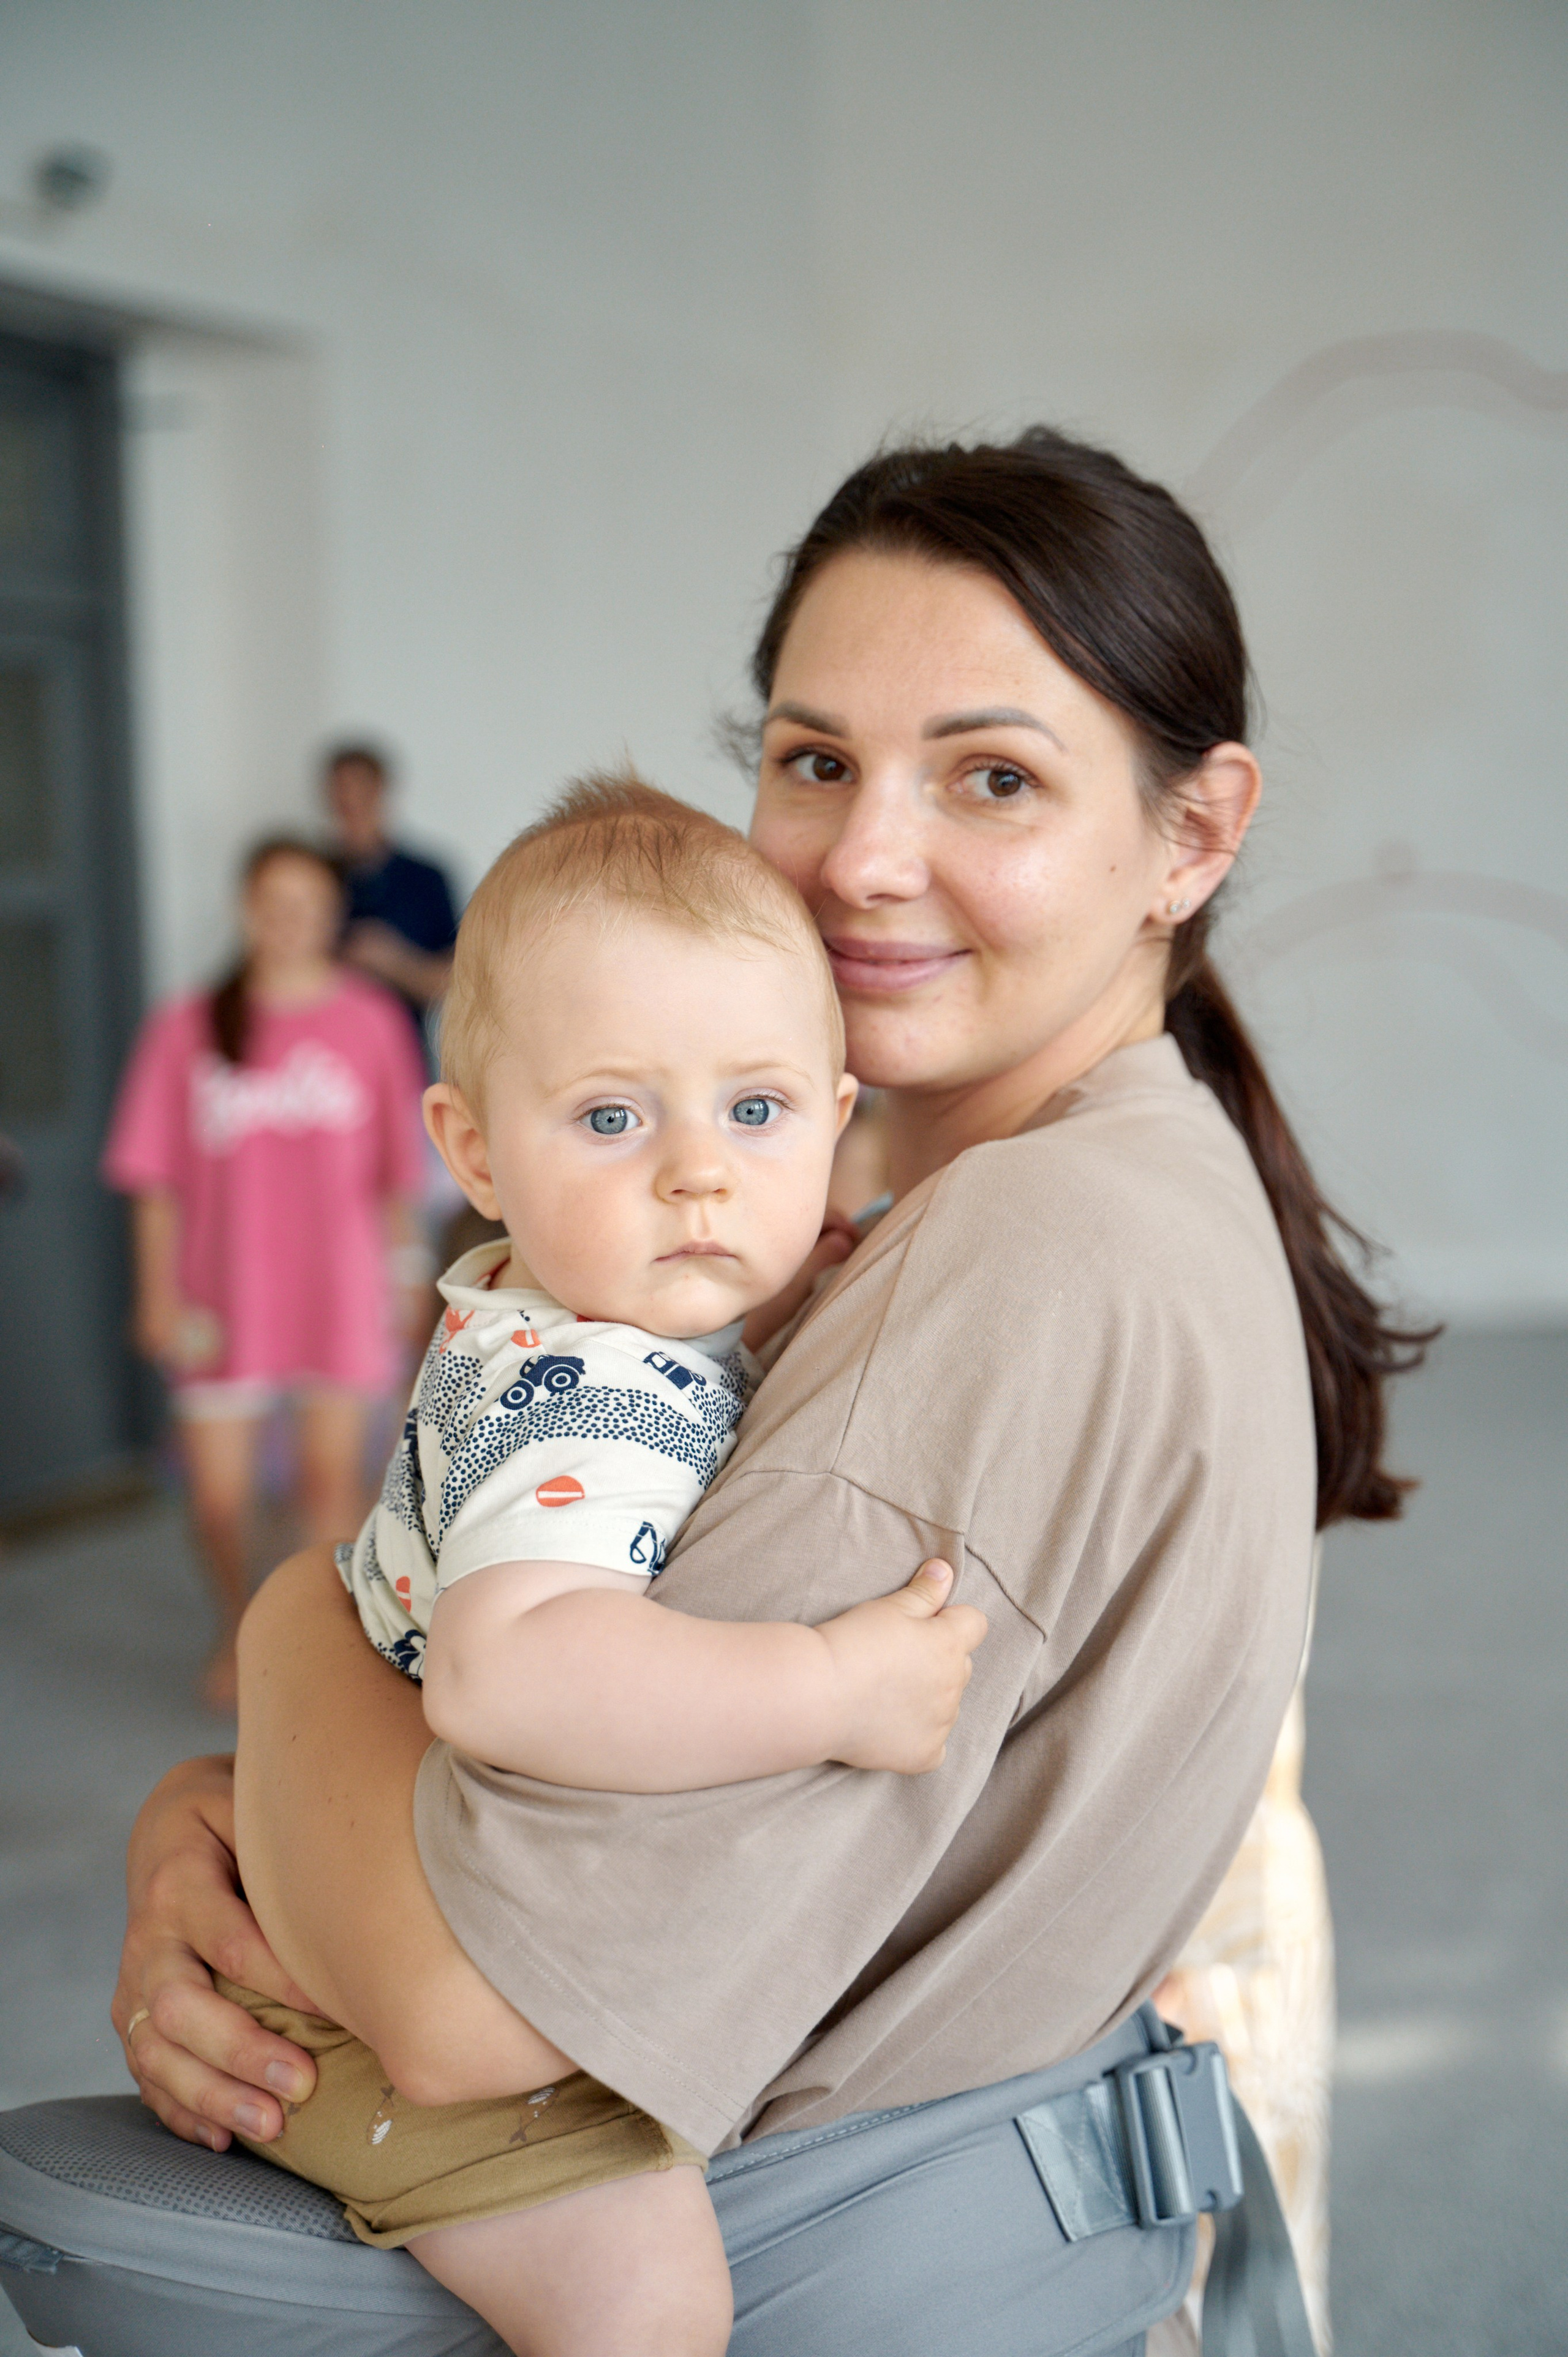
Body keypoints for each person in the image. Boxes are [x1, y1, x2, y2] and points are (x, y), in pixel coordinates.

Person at [112, 429, 1430, 2350]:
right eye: (815, 760)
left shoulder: (1018, 1263)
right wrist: (214, 1811)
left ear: (1193, 833)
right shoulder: (975, 1192)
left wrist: (291, 1633)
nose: (860, 860)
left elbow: (480, 2005)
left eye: (990, 775)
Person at [218, 777, 981, 2356]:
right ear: (474, 1149)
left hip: (352, 1860)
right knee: (649, 2302)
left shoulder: (578, 1299)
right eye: (613, 1117)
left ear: (836, 1131)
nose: (698, 1176)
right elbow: (514, 1670)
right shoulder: (596, 1398)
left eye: (755, 1112)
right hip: (372, 1987)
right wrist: (826, 1680)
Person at [103, 835, 429, 1709]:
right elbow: (153, 1179)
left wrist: (407, 1275)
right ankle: (238, 1625)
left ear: (331, 915)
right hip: (223, 1297)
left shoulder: (372, 1020)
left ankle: (312, 1651)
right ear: (246, 909)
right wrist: (155, 1291)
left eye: (307, 904)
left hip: (340, 1291)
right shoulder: (188, 1025)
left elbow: (399, 1172)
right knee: (218, 1497)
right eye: (272, 903)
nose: (289, 921)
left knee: (329, 1484)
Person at [324, 741, 462, 1049]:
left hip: (402, 1051)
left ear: (381, 791)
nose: (351, 802)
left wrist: (394, 962)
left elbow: (455, 980)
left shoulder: (426, 878)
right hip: (325, 1052)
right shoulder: (313, 874)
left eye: (361, 790)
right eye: (342, 792)